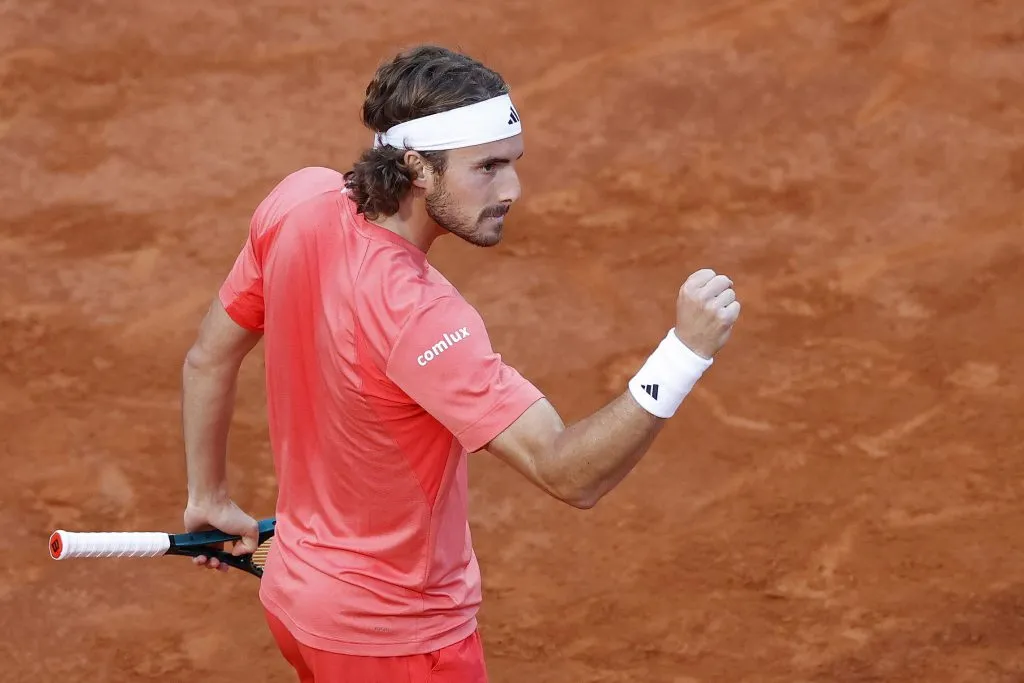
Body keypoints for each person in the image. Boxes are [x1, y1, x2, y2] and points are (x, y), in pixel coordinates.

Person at [179, 44, 741, 683]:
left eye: (513, 164)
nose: (513, 189)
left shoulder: (299, 200)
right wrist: (684, 354)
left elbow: (207, 359)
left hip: (297, 605)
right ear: (417, 167)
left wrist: (209, 497)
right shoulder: (423, 318)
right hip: (397, 644)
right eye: (489, 168)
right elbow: (568, 472)